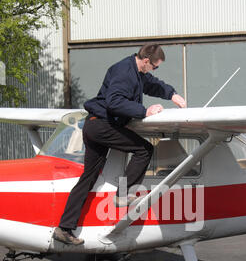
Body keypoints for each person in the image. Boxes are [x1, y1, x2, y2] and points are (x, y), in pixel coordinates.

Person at [53, 43, 187, 245]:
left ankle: (64, 228)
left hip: (93, 126)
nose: (154, 70)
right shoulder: (124, 72)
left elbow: (151, 84)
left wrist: (172, 94)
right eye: (155, 66)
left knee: (88, 178)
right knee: (144, 149)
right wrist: (145, 111)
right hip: (102, 126)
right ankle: (122, 194)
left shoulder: (136, 71)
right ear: (145, 61)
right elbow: (114, 102)